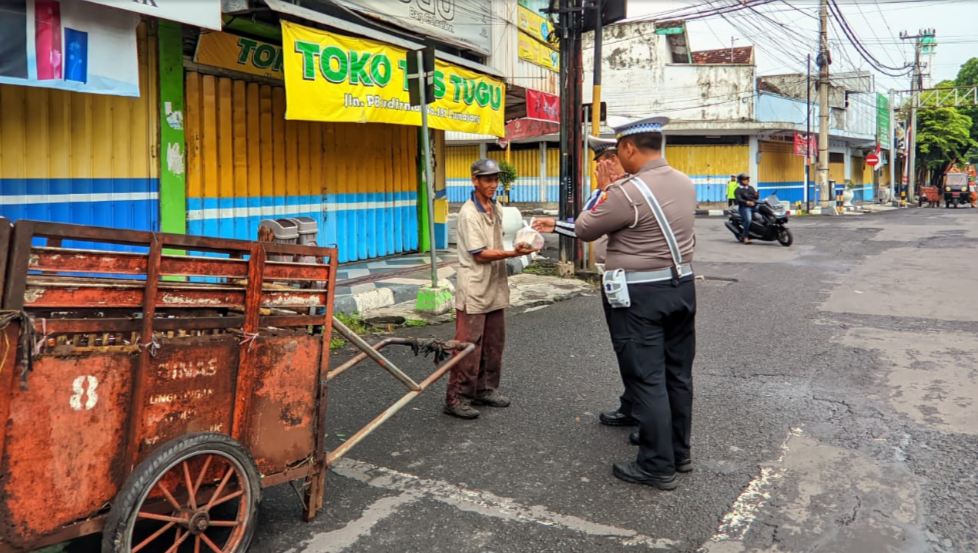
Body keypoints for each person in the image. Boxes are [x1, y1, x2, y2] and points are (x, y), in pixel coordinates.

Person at [533, 116, 696, 490]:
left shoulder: (626, 191)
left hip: (641, 296)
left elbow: (586, 228)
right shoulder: (685, 182)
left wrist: (607, 188)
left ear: (629, 148)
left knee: (647, 378)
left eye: (617, 150)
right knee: (677, 375)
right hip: (682, 287)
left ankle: (656, 465)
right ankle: (678, 453)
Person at [444, 158, 538, 420]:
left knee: (494, 343)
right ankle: (456, 397)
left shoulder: (494, 206)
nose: (493, 184)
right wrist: (513, 253)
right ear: (475, 180)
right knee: (468, 345)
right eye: (487, 179)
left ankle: (484, 389)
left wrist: (523, 241)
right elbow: (480, 253)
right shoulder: (468, 213)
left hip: (495, 285)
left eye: (495, 179)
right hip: (475, 287)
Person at [734, 173, 758, 244]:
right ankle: (745, 237)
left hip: (753, 206)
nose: (747, 180)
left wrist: (757, 195)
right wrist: (747, 202)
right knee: (748, 220)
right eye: (745, 179)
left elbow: (755, 197)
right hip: (744, 208)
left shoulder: (751, 188)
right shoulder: (738, 190)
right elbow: (739, 199)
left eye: (748, 179)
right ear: (740, 181)